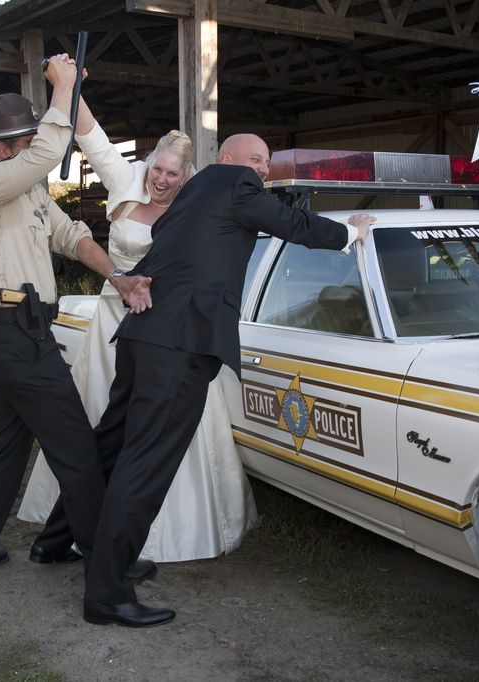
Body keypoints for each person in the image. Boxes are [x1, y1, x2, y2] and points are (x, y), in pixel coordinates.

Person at [82, 134, 376, 627]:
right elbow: (289, 223)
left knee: (114, 449)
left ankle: (71, 546)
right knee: (145, 465)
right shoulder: (230, 182)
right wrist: (349, 231)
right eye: (257, 161)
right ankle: (107, 594)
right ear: (228, 161)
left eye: (265, 164)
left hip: (145, 336)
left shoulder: (190, 199)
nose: (263, 171)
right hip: (180, 346)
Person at [0, 55, 153, 584]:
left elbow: (72, 238)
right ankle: (108, 563)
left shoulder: (29, 192)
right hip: (12, 335)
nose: (35, 149)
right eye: (26, 141)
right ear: (1, 148)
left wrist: (120, 279)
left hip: (21, 335)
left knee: (7, 449)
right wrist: (64, 86)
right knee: (77, 450)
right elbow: (48, 152)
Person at [16, 107, 259, 563]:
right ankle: (70, 533)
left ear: (185, 178)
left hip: (161, 333)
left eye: (171, 174)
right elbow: (91, 136)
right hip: (110, 323)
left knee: (150, 441)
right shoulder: (125, 183)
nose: (160, 181)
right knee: (98, 435)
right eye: (157, 170)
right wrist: (71, 84)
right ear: (147, 166)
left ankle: (147, 535)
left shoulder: (196, 204)